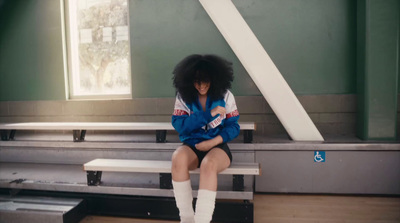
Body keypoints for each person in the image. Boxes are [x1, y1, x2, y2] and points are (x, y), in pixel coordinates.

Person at [171, 54, 240, 223]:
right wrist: (209, 114)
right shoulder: (183, 96)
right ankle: (186, 219)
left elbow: (234, 126)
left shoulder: (226, 96)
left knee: (208, 165)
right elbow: (180, 125)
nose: (201, 86)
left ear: (214, 78)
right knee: (177, 158)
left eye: (205, 80)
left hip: (217, 147)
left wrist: (214, 141)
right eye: (196, 81)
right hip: (191, 145)